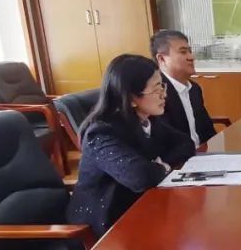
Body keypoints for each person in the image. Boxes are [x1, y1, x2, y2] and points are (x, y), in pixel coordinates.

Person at [68, 54, 195, 236]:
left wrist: (160, 164)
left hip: (140, 209)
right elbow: (139, 177)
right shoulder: (101, 133)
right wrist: (160, 167)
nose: (164, 94)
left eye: (162, 85)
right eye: (156, 89)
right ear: (131, 98)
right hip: (102, 229)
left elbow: (185, 144)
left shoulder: (148, 120)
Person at [152, 29, 218, 148]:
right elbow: (166, 142)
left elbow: (208, 131)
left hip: (203, 153)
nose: (191, 57)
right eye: (183, 52)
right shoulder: (157, 93)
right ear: (161, 59)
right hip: (181, 157)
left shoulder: (194, 89)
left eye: (190, 51)